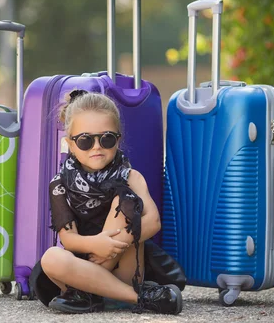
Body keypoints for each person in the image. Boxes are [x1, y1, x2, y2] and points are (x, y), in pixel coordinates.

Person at [38, 89, 183, 314]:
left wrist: (113, 247)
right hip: (80, 271)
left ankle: (90, 296)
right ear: (70, 143)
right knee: (51, 258)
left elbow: (153, 222)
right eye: (85, 140)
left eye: (106, 139)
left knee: (123, 200)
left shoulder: (130, 177)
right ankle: (138, 298)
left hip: (124, 268)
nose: (96, 146)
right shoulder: (59, 185)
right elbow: (69, 240)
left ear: (118, 139)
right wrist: (98, 245)